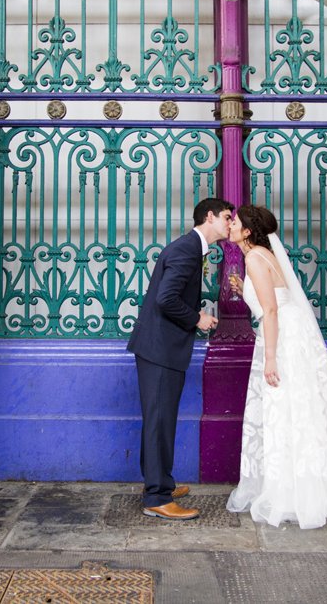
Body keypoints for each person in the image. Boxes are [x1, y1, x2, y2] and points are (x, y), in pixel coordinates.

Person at [225, 204, 327, 529]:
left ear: (247, 232)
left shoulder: (254, 258)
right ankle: (307, 487)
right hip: (291, 334)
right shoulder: (264, 256)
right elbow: (275, 298)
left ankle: (291, 494)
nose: (230, 225)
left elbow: (270, 312)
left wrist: (270, 358)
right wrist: (246, 291)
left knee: (284, 408)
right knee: (301, 410)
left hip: (280, 338)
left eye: (235, 222)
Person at [128, 198, 234, 520]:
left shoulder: (191, 247)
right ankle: (157, 497)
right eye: (228, 218)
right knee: (160, 422)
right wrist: (197, 318)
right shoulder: (188, 249)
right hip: (161, 349)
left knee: (159, 421)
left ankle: (159, 484)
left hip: (160, 348)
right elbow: (166, 299)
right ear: (210, 216)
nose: (231, 224)